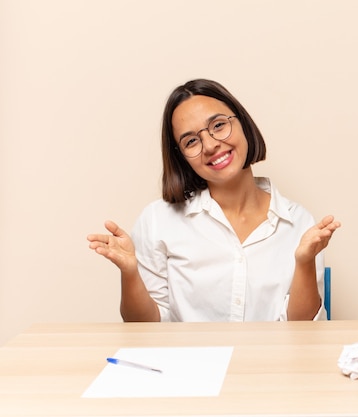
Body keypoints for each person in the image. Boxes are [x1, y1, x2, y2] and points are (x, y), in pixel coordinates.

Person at [87, 79, 340, 322]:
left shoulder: (298, 222)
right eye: (191, 141)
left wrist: (305, 263)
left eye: (218, 125)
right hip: (187, 366)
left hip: (270, 366)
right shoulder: (156, 221)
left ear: (242, 123)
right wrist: (130, 273)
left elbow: (303, 332)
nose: (209, 145)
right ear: (182, 157)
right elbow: (146, 329)